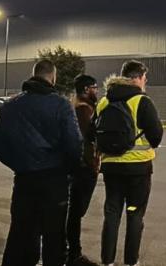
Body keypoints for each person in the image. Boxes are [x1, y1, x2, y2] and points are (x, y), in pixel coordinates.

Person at [0, 59, 82, 266]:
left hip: (24, 179)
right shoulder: (61, 105)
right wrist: (69, 170)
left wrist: (19, 163)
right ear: (53, 76)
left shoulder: (11, 105)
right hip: (54, 180)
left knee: (21, 233)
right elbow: (74, 145)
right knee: (54, 236)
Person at [97, 60, 163, 266]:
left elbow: (94, 133)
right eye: (145, 78)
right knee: (134, 214)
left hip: (111, 167)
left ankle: (107, 261)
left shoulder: (104, 102)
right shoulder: (142, 101)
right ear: (139, 77)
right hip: (138, 168)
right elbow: (156, 136)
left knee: (112, 213)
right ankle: (130, 261)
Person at [66, 74, 100, 266]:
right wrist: (92, 164)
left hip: (80, 166)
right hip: (83, 167)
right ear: (86, 89)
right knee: (76, 213)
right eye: (94, 87)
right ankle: (73, 254)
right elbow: (87, 139)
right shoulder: (83, 109)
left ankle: (70, 251)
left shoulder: (77, 106)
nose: (97, 91)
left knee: (75, 212)